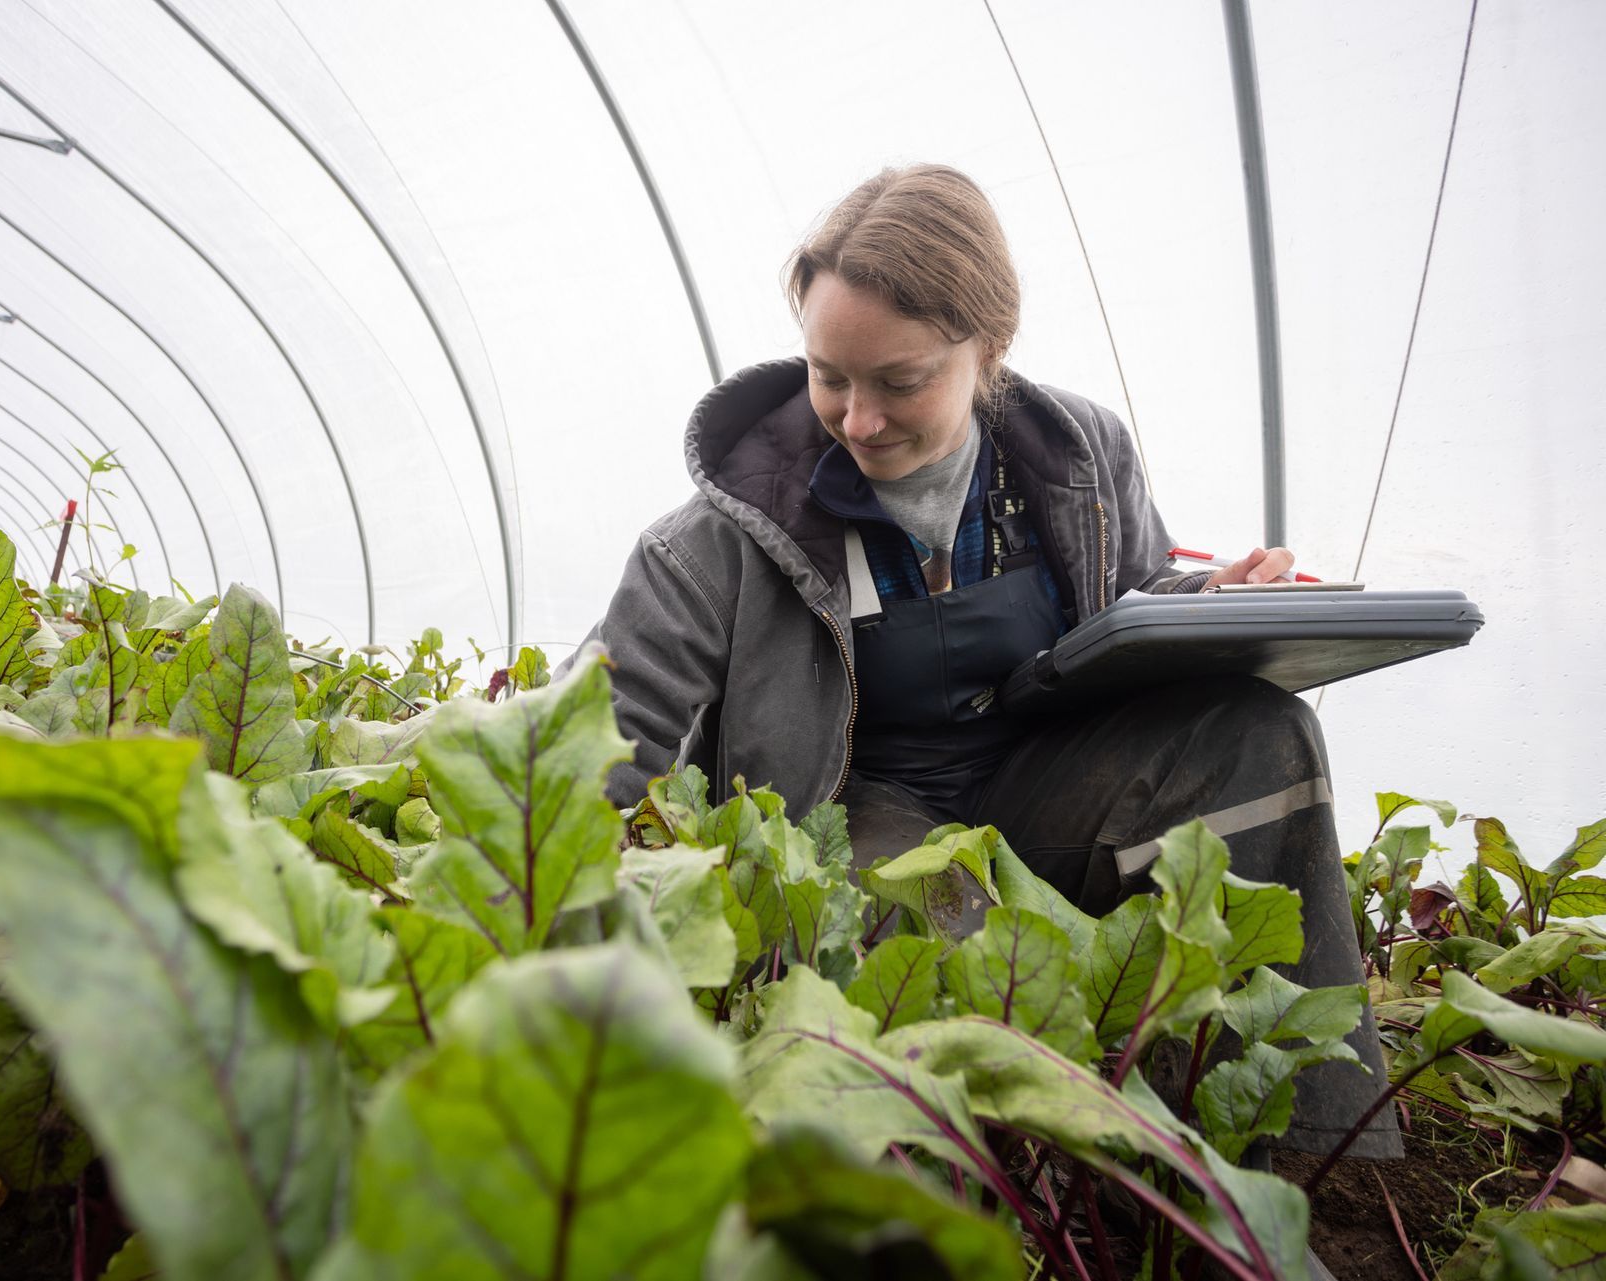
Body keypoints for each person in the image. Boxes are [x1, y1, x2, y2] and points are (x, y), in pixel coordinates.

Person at [589, 163, 1396, 1164]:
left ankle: (1290, 1149)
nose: (859, 420)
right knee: (947, 916)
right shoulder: (717, 539)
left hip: (1041, 786)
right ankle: (1030, 1184)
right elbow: (595, 750)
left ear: (990, 350)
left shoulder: (1080, 455)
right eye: (830, 377)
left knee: (1261, 737)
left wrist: (1212, 604)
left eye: (902, 381)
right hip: (856, 817)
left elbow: (1129, 604)